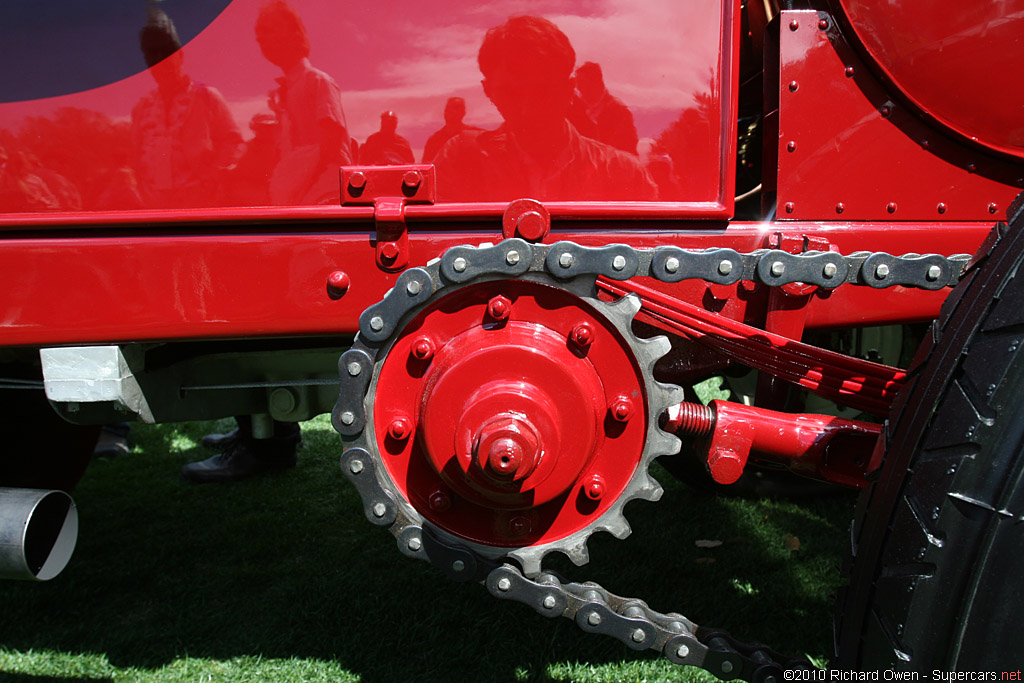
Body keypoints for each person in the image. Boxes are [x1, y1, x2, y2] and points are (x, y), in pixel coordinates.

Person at [433, 15, 657, 202]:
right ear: (488, 91)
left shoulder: (624, 174)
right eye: (510, 94)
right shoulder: (460, 161)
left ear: (569, 90)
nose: (527, 109)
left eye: (543, 91)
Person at [131, 6, 242, 209]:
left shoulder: (207, 98)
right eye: (151, 55)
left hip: (198, 210)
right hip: (152, 210)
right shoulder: (142, 108)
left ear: (180, 55)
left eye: (165, 53)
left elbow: (233, 144)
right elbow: (135, 159)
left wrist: (211, 178)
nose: (159, 61)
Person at [255, 0, 352, 205]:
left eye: (270, 30)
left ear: (296, 34)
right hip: (296, 198)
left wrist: (300, 189)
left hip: (322, 198)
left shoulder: (318, 81)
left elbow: (332, 144)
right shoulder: (285, 91)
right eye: (259, 34)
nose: (262, 38)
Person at [572, 61, 639, 155]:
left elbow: (629, 152)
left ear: (597, 82)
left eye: (582, 84)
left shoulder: (620, 112)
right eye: (577, 85)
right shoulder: (577, 109)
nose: (579, 89)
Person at [422, 97, 480, 163]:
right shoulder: (434, 140)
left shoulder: (475, 135)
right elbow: (426, 166)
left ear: (463, 112)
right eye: (448, 108)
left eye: (456, 108)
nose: (450, 111)